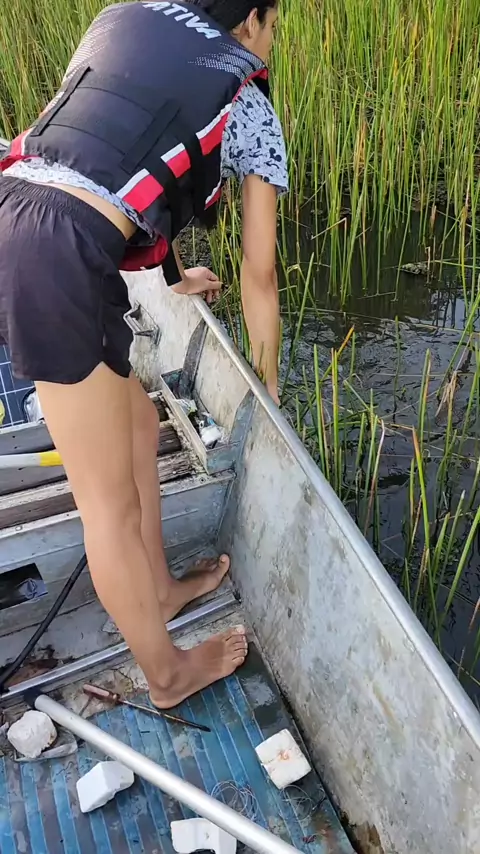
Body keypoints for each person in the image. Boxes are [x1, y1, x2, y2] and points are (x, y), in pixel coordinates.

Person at [0, 0, 287, 708]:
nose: (270, 42)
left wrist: (173, 278)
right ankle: (167, 675)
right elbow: (259, 276)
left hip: (25, 213)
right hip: (54, 257)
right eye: (274, 25)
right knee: (108, 507)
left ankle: (158, 590)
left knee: (134, 422)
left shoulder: (133, 20)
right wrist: (270, 389)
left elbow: (120, 162)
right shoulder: (248, 102)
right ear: (251, 21)